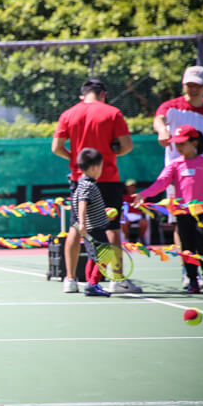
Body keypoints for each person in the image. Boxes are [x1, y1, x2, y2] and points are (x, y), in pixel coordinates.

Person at [52, 79, 141, 294]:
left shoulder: (68, 114)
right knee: (111, 227)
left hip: (79, 178)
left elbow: (56, 147)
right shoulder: (112, 113)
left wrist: (75, 159)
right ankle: (117, 279)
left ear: (83, 95)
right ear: (103, 94)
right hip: (108, 178)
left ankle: (70, 279)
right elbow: (127, 145)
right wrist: (111, 154)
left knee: (75, 226)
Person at [132, 125, 203, 293]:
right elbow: (161, 183)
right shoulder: (175, 165)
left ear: (194, 142)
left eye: (183, 143)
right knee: (187, 248)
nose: (179, 147)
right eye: (177, 144)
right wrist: (143, 194)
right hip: (183, 214)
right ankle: (192, 280)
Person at [152, 65, 203, 277]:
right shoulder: (171, 106)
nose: (193, 89)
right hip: (178, 179)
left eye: (197, 86)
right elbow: (159, 119)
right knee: (181, 224)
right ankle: (188, 270)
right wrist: (162, 130)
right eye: (189, 85)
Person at [71, 148, 112, 297]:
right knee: (106, 255)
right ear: (95, 168)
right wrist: (82, 223)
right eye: (101, 167)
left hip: (91, 228)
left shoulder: (81, 185)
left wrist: (103, 212)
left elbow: (87, 205)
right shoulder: (88, 186)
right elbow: (83, 203)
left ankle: (91, 283)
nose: (101, 171)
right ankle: (93, 284)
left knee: (93, 257)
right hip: (94, 229)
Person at [121, 179, 148, 245]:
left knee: (144, 223)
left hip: (138, 216)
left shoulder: (139, 197)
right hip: (126, 216)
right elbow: (121, 208)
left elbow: (143, 208)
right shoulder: (123, 197)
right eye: (129, 186)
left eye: (132, 186)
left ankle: (139, 239)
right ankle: (127, 239)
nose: (131, 188)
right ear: (126, 187)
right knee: (123, 222)